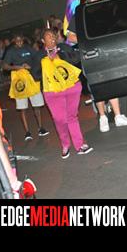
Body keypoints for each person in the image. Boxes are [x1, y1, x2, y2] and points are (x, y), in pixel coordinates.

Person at [65, 0, 127, 133]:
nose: (103, 2)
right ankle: (103, 118)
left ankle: (118, 116)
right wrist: (87, 39)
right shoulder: (80, 15)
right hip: (90, 54)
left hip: (106, 54)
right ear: (91, 1)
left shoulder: (106, 15)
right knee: (97, 87)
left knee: (111, 83)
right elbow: (70, 36)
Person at [31, 28, 92, 159]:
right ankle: (65, 144)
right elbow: (35, 75)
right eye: (48, 36)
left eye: (53, 36)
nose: (52, 38)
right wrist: (47, 63)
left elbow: (76, 59)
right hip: (53, 91)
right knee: (60, 119)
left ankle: (80, 145)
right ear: (43, 40)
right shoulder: (39, 56)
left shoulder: (63, 48)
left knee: (72, 117)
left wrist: (61, 56)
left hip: (71, 87)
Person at [2, 34, 50, 142]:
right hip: (19, 80)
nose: (19, 43)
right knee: (22, 107)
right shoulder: (11, 51)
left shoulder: (28, 48)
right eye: (17, 41)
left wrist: (31, 66)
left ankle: (41, 128)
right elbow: (4, 66)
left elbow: (36, 58)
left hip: (31, 77)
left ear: (23, 40)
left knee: (37, 105)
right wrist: (17, 67)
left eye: (21, 41)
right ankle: (27, 132)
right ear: (14, 41)